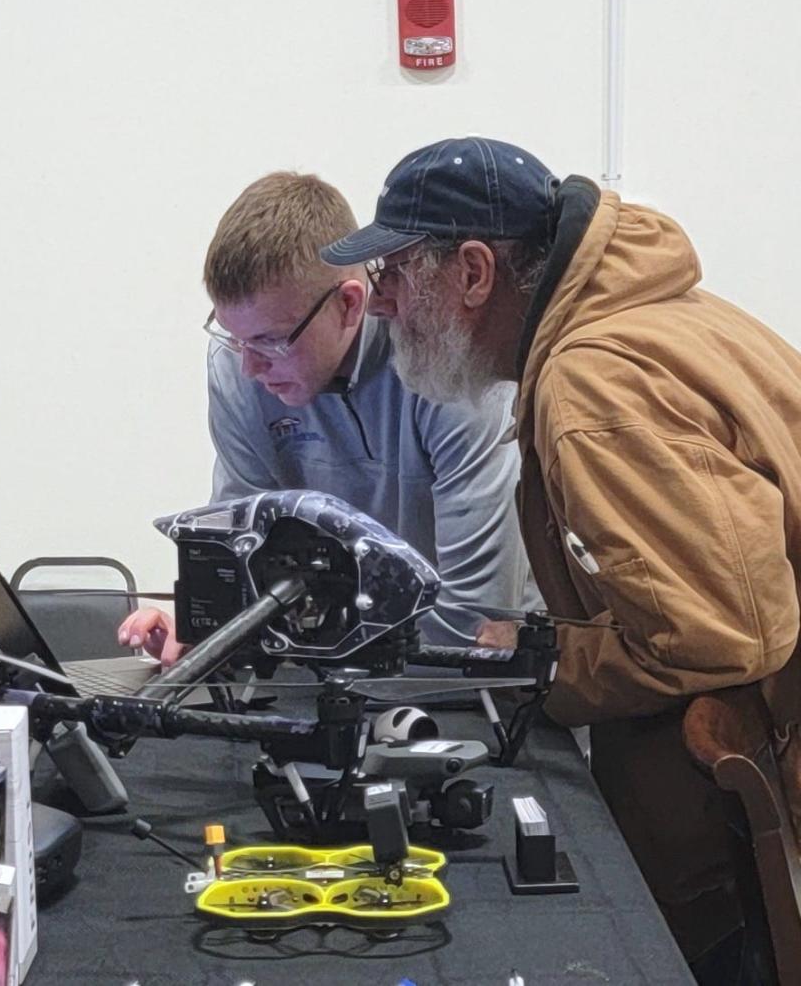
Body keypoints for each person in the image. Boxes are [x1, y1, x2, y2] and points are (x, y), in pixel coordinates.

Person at [319, 134, 801, 977]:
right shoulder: (651, 316)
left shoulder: (592, 383)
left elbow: (726, 634)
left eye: (395, 273)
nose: (381, 303)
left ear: (474, 272)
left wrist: (547, 662)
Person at [119, 169, 536, 660]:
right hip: (331, 665)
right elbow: (240, 557)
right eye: (234, 338)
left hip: (471, 680)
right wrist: (206, 631)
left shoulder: (448, 376)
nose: (251, 366)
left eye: (270, 341)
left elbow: (474, 616)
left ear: (348, 304)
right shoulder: (237, 367)